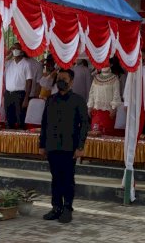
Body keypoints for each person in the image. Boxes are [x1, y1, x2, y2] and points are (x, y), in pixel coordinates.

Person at [39, 69, 89, 224]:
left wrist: (80, 146)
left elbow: (84, 125)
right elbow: (44, 123)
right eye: (59, 78)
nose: (61, 81)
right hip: (52, 145)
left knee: (67, 179)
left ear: (71, 82)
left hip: (69, 146)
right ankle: (56, 207)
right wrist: (42, 144)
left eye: (64, 79)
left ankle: (67, 208)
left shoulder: (78, 100)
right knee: (55, 178)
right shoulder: (51, 99)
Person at [4, 43, 33, 129]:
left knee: (20, 119)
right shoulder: (8, 63)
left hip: (20, 95)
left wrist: (26, 98)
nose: (15, 50)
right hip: (8, 94)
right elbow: (0, 59)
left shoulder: (26, 64)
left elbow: (29, 81)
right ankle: (10, 140)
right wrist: (9, 50)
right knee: (9, 119)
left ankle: (20, 141)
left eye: (17, 49)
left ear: (21, 51)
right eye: (13, 49)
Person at [87, 65, 122, 135]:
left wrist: (113, 108)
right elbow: (91, 93)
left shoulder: (114, 78)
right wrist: (90, 106)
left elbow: (116, 94)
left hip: (108, 112)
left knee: (107, 135)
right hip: (96, 111)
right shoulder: (96, 78)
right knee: (95, 135)